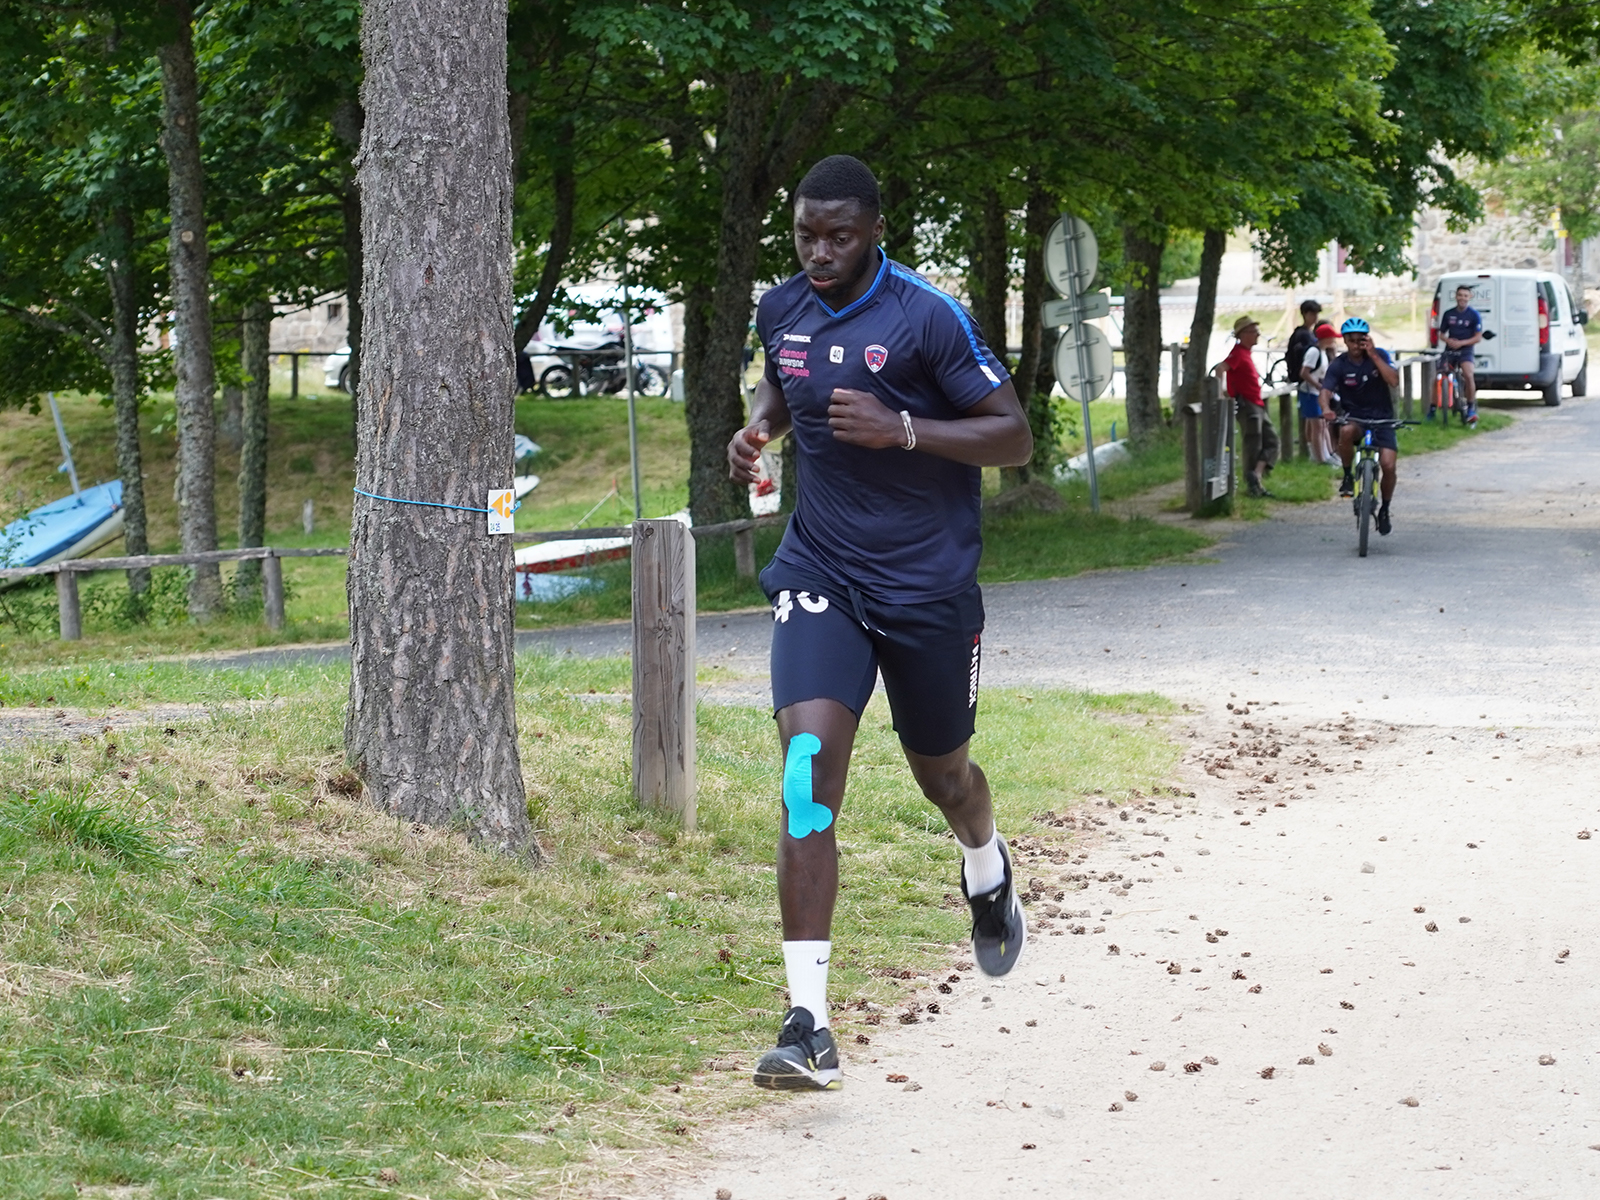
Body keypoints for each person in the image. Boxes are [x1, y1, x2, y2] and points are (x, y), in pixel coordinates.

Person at [726, 155, 1033, 1092]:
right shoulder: (780, 308)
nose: (819, 253)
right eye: (806, 235)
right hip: (823, 570)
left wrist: (906, 429)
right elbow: (787, 384)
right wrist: (759, 428)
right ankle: (807, 1023)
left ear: (874, 229)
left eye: (839, 236)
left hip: (928, 585)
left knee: (945, 776)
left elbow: (1012, 436)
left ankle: (985, 865)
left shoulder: (926, 316)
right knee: (806, 774)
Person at [1318, 317, 1401, 535]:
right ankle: (1347, 475)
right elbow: (1325, 390)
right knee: (1345, 431)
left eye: (1360, 340)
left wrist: (1373, 354)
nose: (1356, 345)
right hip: (1355, 418)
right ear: (1345, 341)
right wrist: (1326, 408)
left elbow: (1393, 380)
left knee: (1389, 465)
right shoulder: (1339, 365)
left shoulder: (1379, 355)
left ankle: (1385, 508)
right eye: (1351, 341)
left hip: (1383, 418)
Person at [1222, 314, 1277, 496]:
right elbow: (1220, 368)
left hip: (1257, 403)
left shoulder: (1246, 353)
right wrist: (1222, 392)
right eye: (1253, 331)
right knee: (1253, 443)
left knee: (1271, 440)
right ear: (1242, 334)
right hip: (1247, 405)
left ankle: (1257, 475)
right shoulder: (1237, 353)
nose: (1257, 334)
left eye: (1257, 331)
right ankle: (1253, 485)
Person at [1438, 283, 1483, 424]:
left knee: (1468, 375)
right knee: (1439, 376)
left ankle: (1471, 407)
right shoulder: (1448, 313)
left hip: (1466, 349)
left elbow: (1478, 337)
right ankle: (1433, 408)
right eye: (1460, 295)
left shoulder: (1474, 315)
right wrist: (1448, 340)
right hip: (1450, 349)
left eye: (1465, 295)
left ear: (1469, 297)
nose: (1462, 298)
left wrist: (1462, 343)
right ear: (1456, 297)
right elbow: (1441, 333)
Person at [1298, 322, 1340, 464]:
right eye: (1332, 337)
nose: (1334, 340)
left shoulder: (1322, 352)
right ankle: (1319, 459)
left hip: (1317, 393)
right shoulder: (1314, 352)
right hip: (1310, 393)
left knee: (1322, 425)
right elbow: (1304, 372)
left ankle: (1326, 454)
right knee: (1317, 426)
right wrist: (1318, 385)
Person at [1284, 299, 1322, 395]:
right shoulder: (1302, 335)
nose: (1315, 317)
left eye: (1316, 314)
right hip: (1305, 381)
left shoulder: (1310, 333)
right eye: (1312, 314)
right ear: (1304, 314)